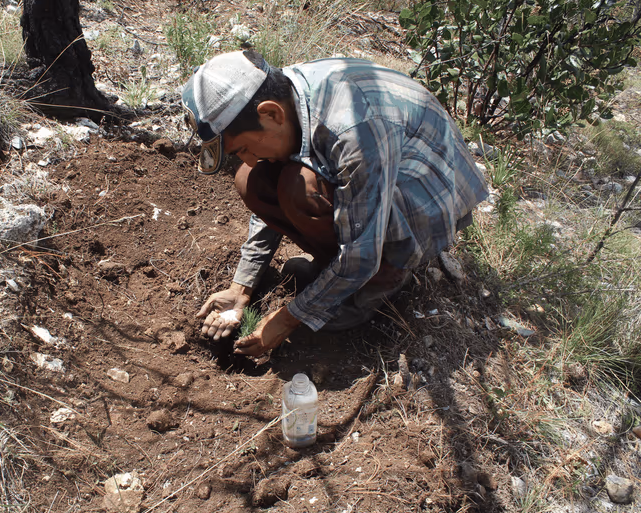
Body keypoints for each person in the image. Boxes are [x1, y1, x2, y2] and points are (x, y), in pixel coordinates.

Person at [181, 50, 488, 360]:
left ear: (271, 114)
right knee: (251, 178)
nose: (247, 158)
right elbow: (264, 191)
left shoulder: (351, 129)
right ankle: (333, 271)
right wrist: (241, 287)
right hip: (376, 175)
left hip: (430, 194)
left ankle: (376, 285)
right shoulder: (282, 98)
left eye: (245, 147)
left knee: (300, 188)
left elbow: (360, 255)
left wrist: (288, 319)